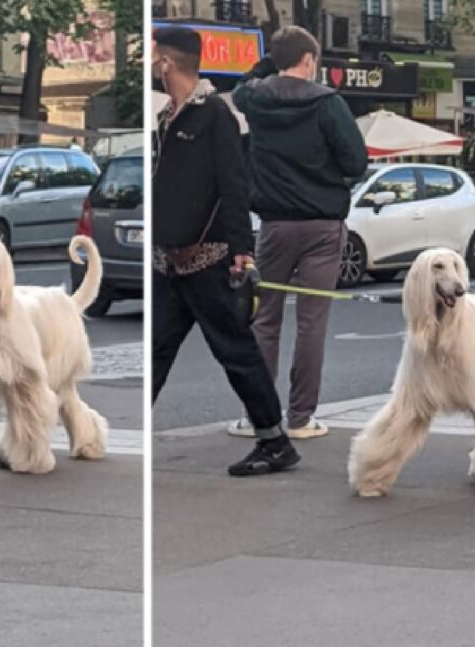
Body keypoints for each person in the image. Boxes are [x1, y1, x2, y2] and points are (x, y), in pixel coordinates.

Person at [151, 26, 299, 477]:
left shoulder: (214, 114)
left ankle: (275, 440)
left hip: (209, 255)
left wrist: (241, 250)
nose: (151, 66)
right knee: (157, 348)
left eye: (154, 57)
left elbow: (234, 184)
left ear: (166, 63)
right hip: (171, 259)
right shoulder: (167, 117)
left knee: (235, 351)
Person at [230, 26, 368, 440]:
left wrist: (271, 62)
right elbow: (356, 162)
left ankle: (261, 416)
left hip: (274, 224)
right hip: (324, 225)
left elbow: (242, 85)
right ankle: (302, 418)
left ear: (276, 59)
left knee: (265, 319)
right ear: (309, 61)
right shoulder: (329, 103)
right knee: (312, 322)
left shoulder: (255, 99)